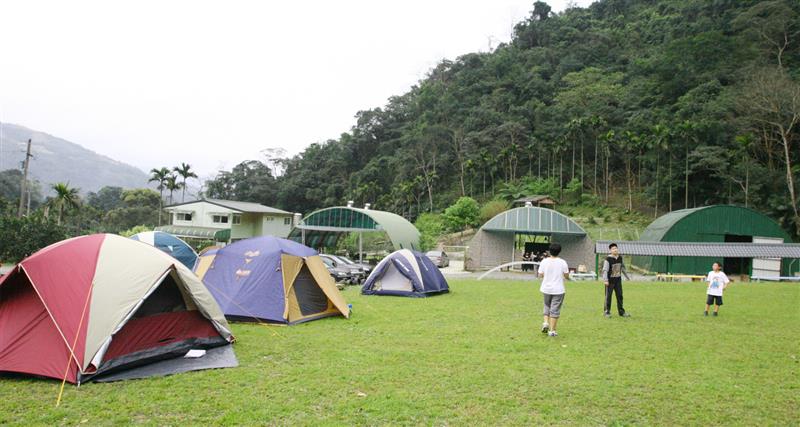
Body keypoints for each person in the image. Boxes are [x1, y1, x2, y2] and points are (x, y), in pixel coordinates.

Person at [538, 243, 569, 337]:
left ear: (549, 251)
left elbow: (540, 274)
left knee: (547, 305)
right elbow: (566, 275)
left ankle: (545, 323)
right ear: (559, 251)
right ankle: (552, 331)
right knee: (555, 309)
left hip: (546, 288)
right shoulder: (562, 262)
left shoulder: (544, 261)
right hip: (558, 289)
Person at [601, 243, 631, 318]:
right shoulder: (608, 259)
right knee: (608, 297)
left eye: (616, 248)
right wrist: (605, 280)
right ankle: (606, 312)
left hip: (618, 280)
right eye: (613, 249)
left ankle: (621, 312)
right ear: (610, 250)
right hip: (609, 281)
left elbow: (622, 268)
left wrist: (627, 277)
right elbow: (605, 270)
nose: (615, 250)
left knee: (620, 296)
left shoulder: (620, 258)